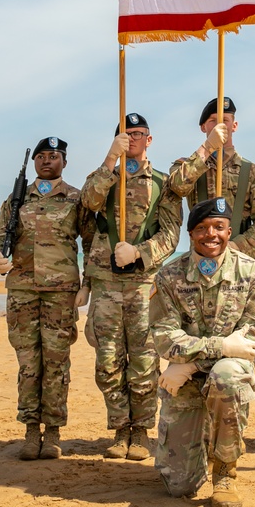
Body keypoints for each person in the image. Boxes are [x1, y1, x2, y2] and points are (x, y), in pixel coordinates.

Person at [149, 197, 255, 507]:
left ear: (230, 231)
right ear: (191, 233)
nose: (211, 234)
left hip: (225, 373)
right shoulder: (169, 276)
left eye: (219, 227)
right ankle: (201, 442)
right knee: (179, 486)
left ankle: (225, 474)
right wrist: (207, 354)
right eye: (202, 228)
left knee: (227, 376)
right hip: (184, 380)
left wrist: (189, 361)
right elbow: (164, 338)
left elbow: (250, 340)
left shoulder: (252, 273)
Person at [80, 113, 183, 461]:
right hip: (105, 282)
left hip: (143, 281)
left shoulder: (161, 183)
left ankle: (140, 431)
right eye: (126, 134)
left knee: (143, 358)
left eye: (139, 134)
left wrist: (140, 252)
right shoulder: (104, 176)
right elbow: (89, 203)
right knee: (107, 359)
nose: (133, 139)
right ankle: (120, 428)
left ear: (149, 140)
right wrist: (111, 159)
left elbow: (170, 234)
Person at [0, 136, 95, 460]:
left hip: (61, 293)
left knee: (57, 364)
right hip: (21, 290)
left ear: (64, 161)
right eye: (42, 156)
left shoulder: (76, 199)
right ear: (34, 162)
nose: (47, 160)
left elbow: (90, 244)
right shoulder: (17, 199)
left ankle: (54, 433)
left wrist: (87, 284)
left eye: (54, 155)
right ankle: (31, 431)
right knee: (28, 364)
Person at [167, 97, 255, 260]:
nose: (219, 126)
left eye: (224, 120)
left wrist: (235, 247)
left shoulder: (253, 172)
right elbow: (178, 186)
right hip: (200, 257)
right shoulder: (186, 166)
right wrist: (207, 147)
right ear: (203, 127)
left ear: (235, 125)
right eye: (213, 121)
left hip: (241, 262)